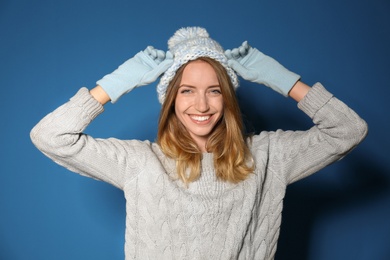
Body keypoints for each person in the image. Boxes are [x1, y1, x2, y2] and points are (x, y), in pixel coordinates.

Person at [30, 27, 368, 259]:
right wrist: (117, 83)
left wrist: (283, 80)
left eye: (214, 90)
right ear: (171, 100)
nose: (202, 105)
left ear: (228, 98)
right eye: (187, 90)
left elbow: (349, 130)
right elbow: (51, 136)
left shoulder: (267, 157)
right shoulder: (140, 162)